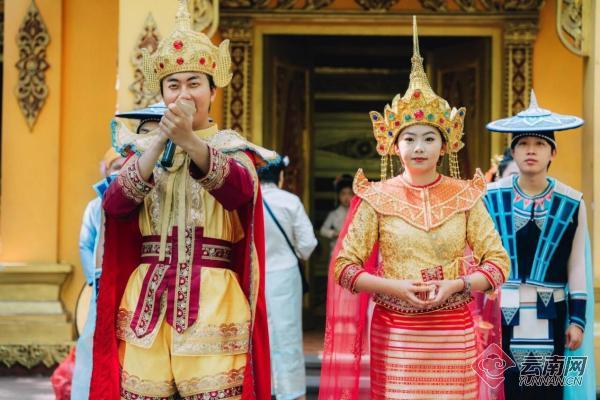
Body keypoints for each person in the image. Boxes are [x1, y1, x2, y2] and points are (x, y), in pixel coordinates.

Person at [89, 1, 275, 399]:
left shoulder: (233, 150)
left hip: (213, 300)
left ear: (212, 90)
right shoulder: (143, 152)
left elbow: (238, 192)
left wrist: (190, 142)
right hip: (147, 301)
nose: (184, 93)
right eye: (173, 85)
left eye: (194, 83)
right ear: (162, 94)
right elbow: (115, 205)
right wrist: (159, 140)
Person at [319, 17, 510, 400]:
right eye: (409, 138)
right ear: (394, 146)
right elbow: (344, 268)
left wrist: (457, 285)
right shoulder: (376, 197)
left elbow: (498, 263)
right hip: (396, 331)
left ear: (445, 146)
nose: (419, 147)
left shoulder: (466, 196)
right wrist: (395, 287)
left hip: (454, 329)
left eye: (428, 138)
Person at [485, 90, 595, 400]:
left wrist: (577, 320)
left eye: (540, 144)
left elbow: (576, 263)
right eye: (523, 144)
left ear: (552, 153)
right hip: (500, 311)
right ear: (513, 151)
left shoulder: (571, 201)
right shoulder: (490, 198)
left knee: (546, 390)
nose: (531, 150)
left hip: (551, 310)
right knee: (500, 388)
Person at [258, 155, 317, 400]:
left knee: (259, 335)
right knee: (287, 335)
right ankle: (291, 392)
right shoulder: (290, 201)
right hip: (284, 274)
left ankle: (264, 387)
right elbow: (307, 245)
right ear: (280, 176)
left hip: (256, 275)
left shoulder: (248, 201)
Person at [71, 148, 126, 400]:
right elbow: (86, 244)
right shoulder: (95, 205)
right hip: (101, 278)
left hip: (129, 279)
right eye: (115, 167)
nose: (120, 172)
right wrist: (94, 279)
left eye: (124, 166)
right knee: (94, 342)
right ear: (105, 170)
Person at [319, 174, 353, 255]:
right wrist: (334, 233)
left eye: (349, 194)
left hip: (354, 252)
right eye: (343, 194)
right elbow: (323, 230)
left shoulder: (358, 213)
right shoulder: (334, 214)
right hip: (337, 251)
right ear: (338, 196)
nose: (346, 197)